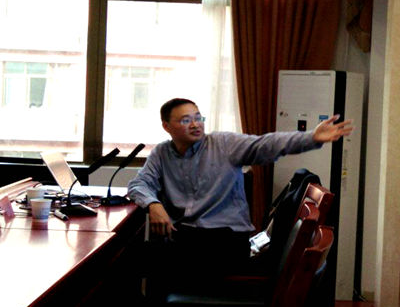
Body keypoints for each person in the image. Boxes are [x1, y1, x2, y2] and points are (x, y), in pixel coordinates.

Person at [128, 97, 352, 292]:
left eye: (198, 117)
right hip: (188, 239)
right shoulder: (162, 153)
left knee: (148, 260)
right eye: (186, 120)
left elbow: (266, 144)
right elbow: (139, 184)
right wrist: (153, 204)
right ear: (167, 126)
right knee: (132, 257)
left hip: (225, 242)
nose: (195, 124)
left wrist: (311, 137)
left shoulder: (224, 144)